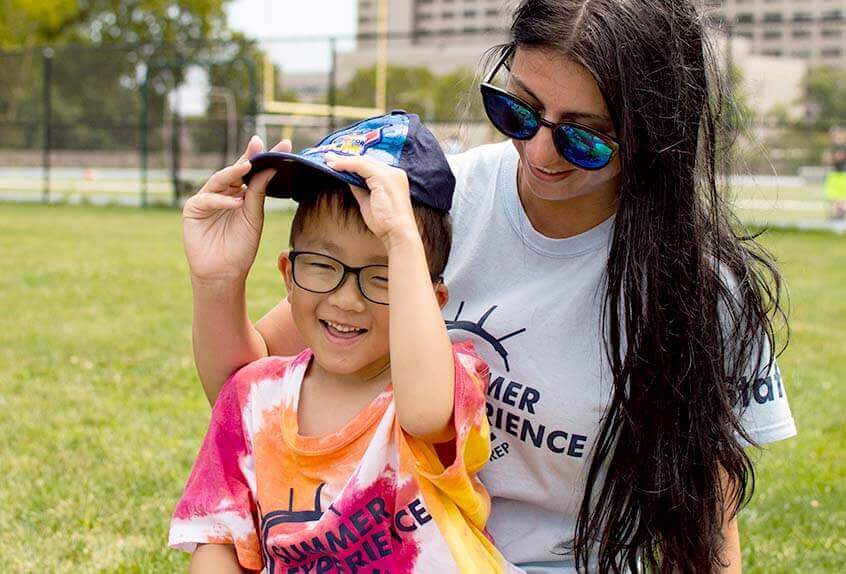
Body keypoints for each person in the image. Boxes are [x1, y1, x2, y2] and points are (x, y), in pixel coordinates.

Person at [182, 1, 797, 572]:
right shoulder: (439, 201)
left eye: (583, 135)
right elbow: (257, 386)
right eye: (518, 110)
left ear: (652, 134)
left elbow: (708, 519)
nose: (537, 148)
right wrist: (218, 284)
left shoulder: (697, 289)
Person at [170, 112, 513, 573]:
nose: (347, 299)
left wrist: (403, 241)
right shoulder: (255, 395)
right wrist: (216, 280)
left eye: (384, 275)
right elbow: (218, 537)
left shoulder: (449, 378)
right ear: (288, 275)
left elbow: (426, 414)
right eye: (322, 265)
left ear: (431, 302)